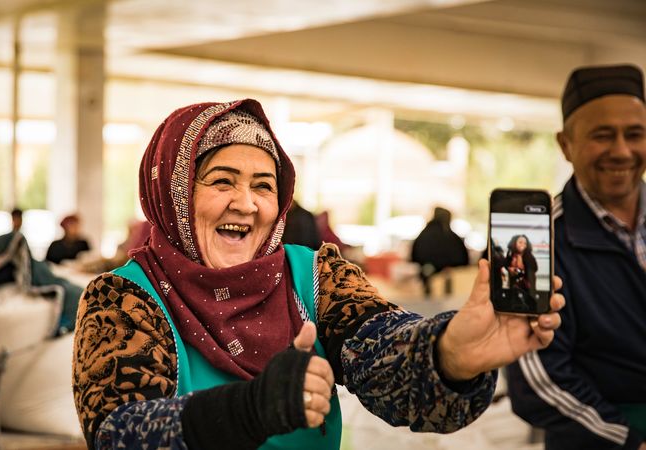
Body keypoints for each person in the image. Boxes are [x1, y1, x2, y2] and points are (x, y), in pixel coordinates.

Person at [72, 99, 564, 450]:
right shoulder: (122, 298)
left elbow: (381, 352)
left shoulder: (314, 275)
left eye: (264, 186)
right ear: (171, 194)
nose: (246, 203)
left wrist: (451, 353)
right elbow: (118, 432)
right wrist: (250, 408)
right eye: (222, 181)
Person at [507, 64, 646, 450]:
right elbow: (535, 379)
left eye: (634, 134)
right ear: (566, 145)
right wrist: (630, 441)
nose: (621, 151)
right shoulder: (534, 240)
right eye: (603, 136)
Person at [410, 207, 469, 297]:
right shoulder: (449, 235)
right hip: (444, 271)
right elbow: (461, 256)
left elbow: (416, 253)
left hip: (428, 268)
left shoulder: (426, 233)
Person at [504, 234, 538, 309]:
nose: (523, 245)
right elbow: (506, 264)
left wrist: (521, 270)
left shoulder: (529, 256)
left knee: (528, 303)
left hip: (527, 285)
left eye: (525, 243)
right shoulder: (510, 254)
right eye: (520, 242)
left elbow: (534, 268)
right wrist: (510, 269)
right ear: (514, 243)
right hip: (513, 283)